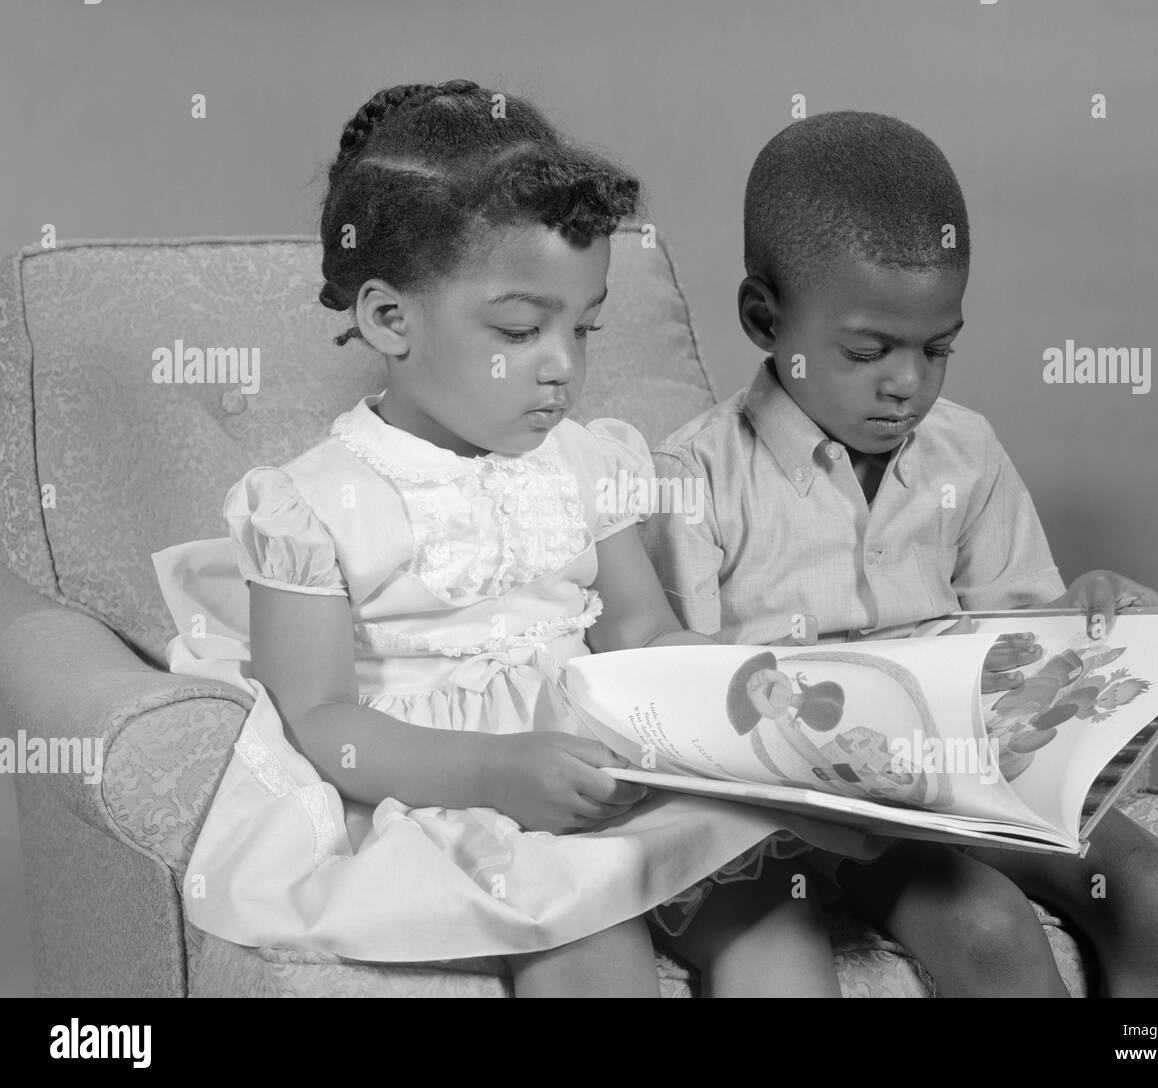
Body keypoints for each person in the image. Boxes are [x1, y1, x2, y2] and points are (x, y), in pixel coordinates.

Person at [151, 82, 888, 998]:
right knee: (583, 936)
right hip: (458, 793)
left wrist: (753, 702)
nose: (564, 368)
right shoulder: (308, 504)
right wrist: (494, 770)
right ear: (390, 319)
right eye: (519, 330)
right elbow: (320, 722)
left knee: (769, 912)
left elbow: (640, 633)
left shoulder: (585, 461)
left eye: (585, 327)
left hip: (607, 764)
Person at [643, 110, 1158, 997]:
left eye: (937, 349)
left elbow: (1020, 642)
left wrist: (1083, 623)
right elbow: (689, 710)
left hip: (975, 778)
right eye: (868, 352)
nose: (907, 383)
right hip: (833, 818)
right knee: (986, 922)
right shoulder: (696, 479)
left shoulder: (966, 452)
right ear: (764, 318)